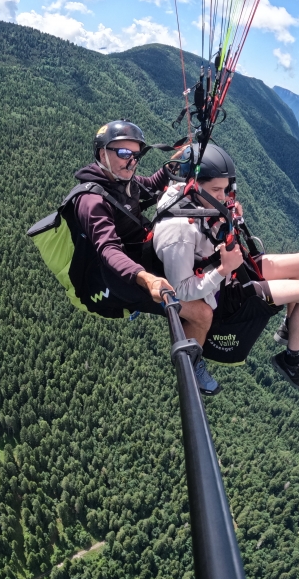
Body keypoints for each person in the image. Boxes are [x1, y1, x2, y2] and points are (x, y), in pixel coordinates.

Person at [152, 143, 299, 390]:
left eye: (226, 189)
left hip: (231, 270)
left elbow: (208, 229)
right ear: (194, 183)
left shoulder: (186, 194)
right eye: (216, 190)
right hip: (222, 292)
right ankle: (290, 359)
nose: (223, 196)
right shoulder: (178, 230)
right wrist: (223, 269)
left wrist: (231, 218)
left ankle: (288, 329)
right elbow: (181, 291)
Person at [70, 121, 220, 394]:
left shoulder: (123, 181)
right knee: (202, 314)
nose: (132, 162)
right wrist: (147, 279)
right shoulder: (92, 201)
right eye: (123, 154)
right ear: (102, 152)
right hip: (122, 277)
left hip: (140, 255)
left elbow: (151, 183)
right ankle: (192, 369)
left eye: (136, 156)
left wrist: (177, 160)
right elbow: (108, 250)